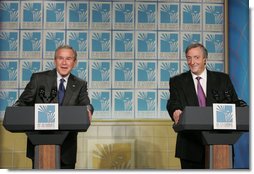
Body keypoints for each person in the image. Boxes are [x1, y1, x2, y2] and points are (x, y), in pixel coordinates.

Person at [14, 45, 94, 169]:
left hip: (67, 150)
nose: (64, 62)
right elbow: (22, 103)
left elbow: (86, 104)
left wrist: (88, 109)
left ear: (74, 62)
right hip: (39, 145)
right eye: (60, 58)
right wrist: (17, 111)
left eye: (68, 59)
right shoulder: (38, 79)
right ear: (54, 61)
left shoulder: (80, 84)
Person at [166, 43, 239, 169]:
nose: (192, 62)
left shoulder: (222, 79)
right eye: (189, 58)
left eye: (196, 57)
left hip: (220, 146)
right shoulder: (177, 81)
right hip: (190, 148)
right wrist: (175, 111)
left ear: (205, 59)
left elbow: (235, 104)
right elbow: (173, 102)